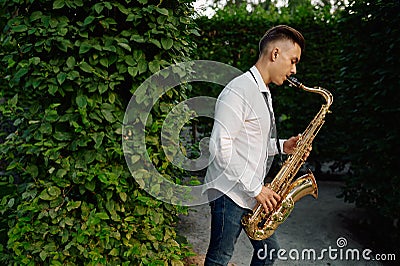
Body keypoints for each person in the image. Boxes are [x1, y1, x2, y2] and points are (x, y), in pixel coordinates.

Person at [204, 25, 306, 265]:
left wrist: (283, 146)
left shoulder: (263, 92)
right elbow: (219, 146)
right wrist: (256, 189)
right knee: (220, 258)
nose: (294, 70)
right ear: (275, 54)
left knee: (268, 251)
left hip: (248, 191)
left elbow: (250, 142)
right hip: (229, 192)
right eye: (293, 61)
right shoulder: (239, 90)